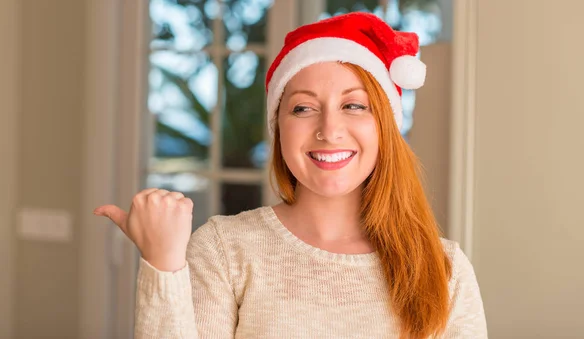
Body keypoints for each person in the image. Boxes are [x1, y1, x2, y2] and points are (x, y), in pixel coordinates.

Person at [94, 12, 487, 339]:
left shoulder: (445, 267)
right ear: (278, 127)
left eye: (353, 105)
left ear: (384, 126)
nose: (329, 130)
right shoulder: (224, 250)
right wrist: (163, 264)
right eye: (302, 109)